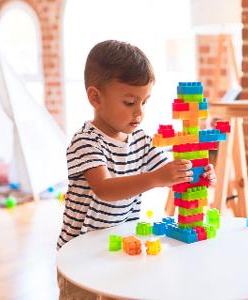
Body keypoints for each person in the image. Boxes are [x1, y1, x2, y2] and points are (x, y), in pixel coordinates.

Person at [57, 40, 217, 298]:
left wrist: (195, 175)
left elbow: (168, 174)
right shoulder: (85, 141)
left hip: (120, 245)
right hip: (81, 256)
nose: (139, 112)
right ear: (96, 98)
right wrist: (155, 178)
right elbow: (104, 189)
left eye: (145, 102)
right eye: (130, 102)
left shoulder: (140, 139)